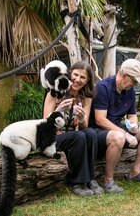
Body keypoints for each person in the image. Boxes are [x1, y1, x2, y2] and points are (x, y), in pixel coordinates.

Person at [89, 58, 140, 193]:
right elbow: (100, 120)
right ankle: (108, 181)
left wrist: (134, 125)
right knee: (119, 137)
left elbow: (132, 115)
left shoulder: (129, 91)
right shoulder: (102, 87)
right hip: (98, 131)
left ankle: (135, 172)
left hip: (118, 128)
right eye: (135, 81)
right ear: (124, 75)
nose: (136, 84)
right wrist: (125, 134)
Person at [43, 60, 103, 196]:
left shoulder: (86, 96)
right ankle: (77, 182)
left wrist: (81, 118)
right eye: (75, 75)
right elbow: (45, 124)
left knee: (90, 132)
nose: (77, 80)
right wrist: (57, 111)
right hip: (53, 138)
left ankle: (90, 178)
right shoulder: (55, 91)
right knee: (79, 136)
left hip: (73, 136)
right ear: (70, 74)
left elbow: (84, 126)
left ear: (87, 81)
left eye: (83, 77)